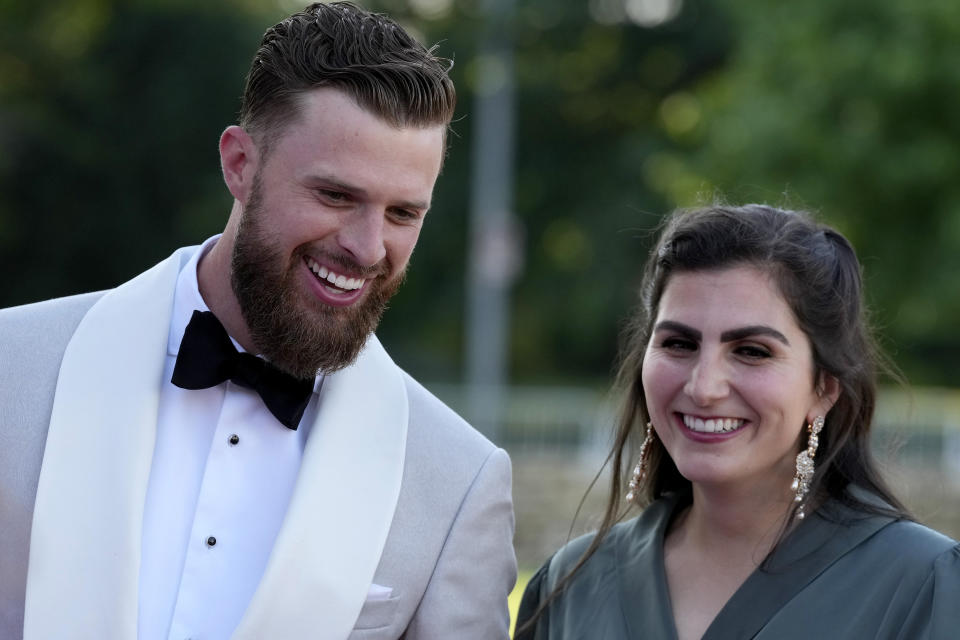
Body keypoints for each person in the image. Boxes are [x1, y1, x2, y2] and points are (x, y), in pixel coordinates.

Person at [0, 3, 517, 639]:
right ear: (240, 164)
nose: (367, 246)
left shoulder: (458, 480)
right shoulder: (10, 368)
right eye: (335, 195)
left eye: (403, 214)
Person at [516, 204, 960, 639]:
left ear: (824, 388)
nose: (704, 387)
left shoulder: (921, 585)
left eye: (752, 351)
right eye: (679, 343)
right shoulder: (570, 589)